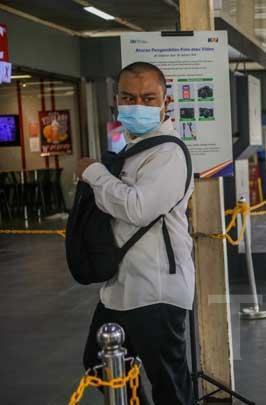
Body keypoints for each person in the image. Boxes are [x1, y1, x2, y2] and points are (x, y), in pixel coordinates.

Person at [76, 62, 194, 405]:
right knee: (99, 365)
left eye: (148, 97)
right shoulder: (131, 151)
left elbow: (139, 208)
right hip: (120, 287)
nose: (137, 105)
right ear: (116, 101)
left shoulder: (168, 151)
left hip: (156, 288)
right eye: (129, 97)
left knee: (169, 385)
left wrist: (94, 173)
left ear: (165, 103)